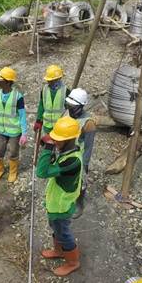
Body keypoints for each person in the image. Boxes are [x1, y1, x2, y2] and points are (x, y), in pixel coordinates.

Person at [37, 116, 84, 277]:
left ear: (69, 140)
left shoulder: (72, 162)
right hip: (55, 202)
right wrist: (52, 146)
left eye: (57, 139)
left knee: (64, 233)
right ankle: (58, 250)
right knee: (55, 228)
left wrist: (48, 148)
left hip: (62, 205)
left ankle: (73, 262)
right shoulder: (69, 150)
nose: (54, 141)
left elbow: (42, 172)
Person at [65, 88, 96, 216]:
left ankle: (79, 203)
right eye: (68, 106)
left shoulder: (88, 123)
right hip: (66, 154)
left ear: (81, 106)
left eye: (73, 107)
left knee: (80, 182)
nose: (70, 109)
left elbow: (88, 146)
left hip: (80, 157)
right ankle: (67, 201)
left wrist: (85, 163)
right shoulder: (66, 114)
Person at [34, 65, 70, 135]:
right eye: (48, 80)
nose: (49, 82)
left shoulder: (66, 91)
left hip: (60, 126)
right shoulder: (44, 90)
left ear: (58, 79)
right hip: (47, 126)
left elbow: (69, 110)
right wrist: (38, 120)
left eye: (51, 80)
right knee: (46, 144)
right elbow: (41, 105)